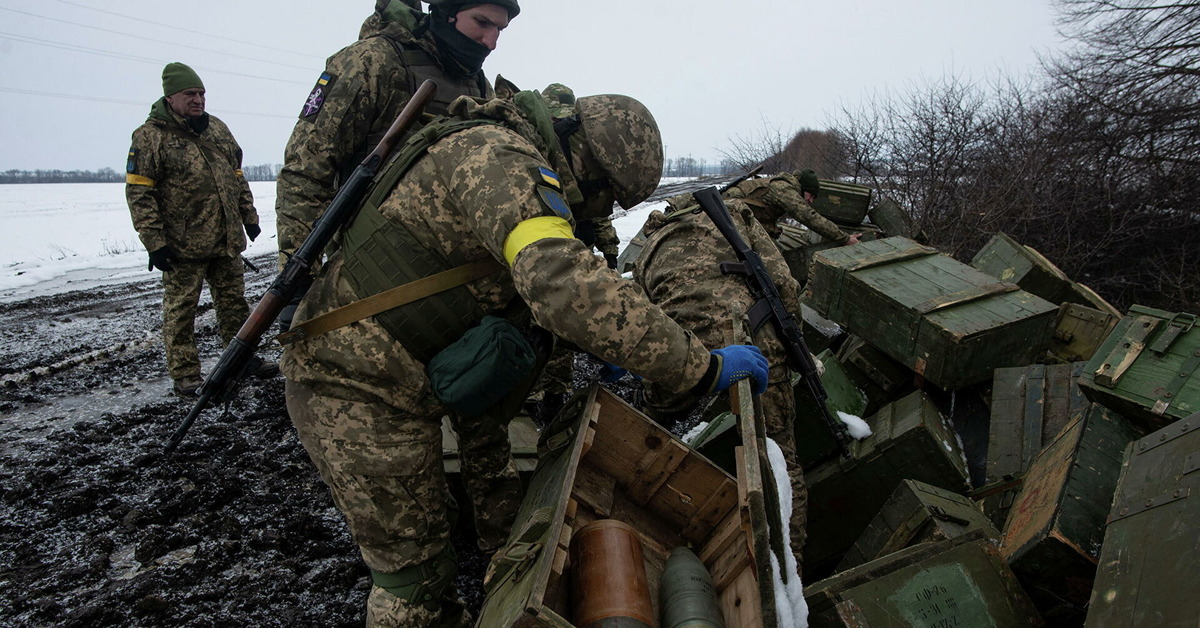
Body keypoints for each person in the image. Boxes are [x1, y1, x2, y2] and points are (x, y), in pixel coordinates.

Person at [279, 91, 769, 626]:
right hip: (352, 389)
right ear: (588, 158)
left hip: (393, 379)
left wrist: (617, 346)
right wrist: (701, 365)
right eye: (607, 196)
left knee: (433, 544)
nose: (600, 213)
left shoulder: (504, 152)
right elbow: (562, 281)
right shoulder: (499, 157)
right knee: (410, 582)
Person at [275, 0, 520, 283]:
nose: (491, 42)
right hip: (369, 262)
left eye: (500, 30)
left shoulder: (476, 83)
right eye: (482, 23)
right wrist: (297, 279)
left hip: (445, 267)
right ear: (448, 14)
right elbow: (306, 172)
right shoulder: (371, 61)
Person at [630, 192, 812, 572]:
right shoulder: (735, 215)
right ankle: (788, 573)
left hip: (688, 359)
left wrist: (657, 401)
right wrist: (795, 350)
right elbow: (784, 285)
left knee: (660, 438)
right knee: (780, 466)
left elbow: (649, 328)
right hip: (757, 351)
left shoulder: (647, 253)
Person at [124, 62, 276, 397]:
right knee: (181, 313)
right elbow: (140, 193)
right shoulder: (149, 137)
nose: (198, 100)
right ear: (171, 97)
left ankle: (242, 361)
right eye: (190, 94)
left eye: (202, 93)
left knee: (235, 305)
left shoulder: (217, 130)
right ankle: (186, 376)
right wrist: (155, 242)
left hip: (225, 240)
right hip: (182, 246)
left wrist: (248, 215)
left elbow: (236, 175)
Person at [725, 168, 862, 246]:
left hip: (731, 220)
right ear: (803, 188)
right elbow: (808, 217)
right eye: (811, 195)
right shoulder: (784, 189)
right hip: (726, 218)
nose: (810, 200)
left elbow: (757, 214)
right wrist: (844, 238)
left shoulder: (781, 187)